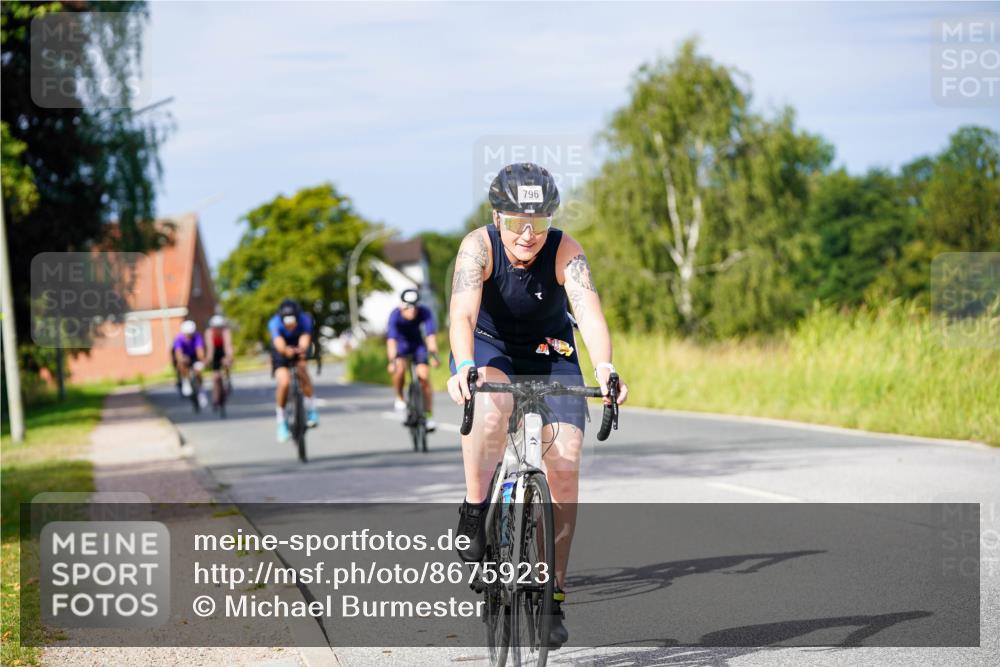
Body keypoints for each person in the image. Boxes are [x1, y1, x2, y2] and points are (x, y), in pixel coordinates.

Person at [446, 162, 629, 648]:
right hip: (489, 348)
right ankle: (473, 507)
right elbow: (462, 313)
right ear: (496, 216)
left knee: (565, 464)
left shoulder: (565, 250)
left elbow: (588, 311)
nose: (528, 235)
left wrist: (606, 369)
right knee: (492, 408)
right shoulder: (477, 248)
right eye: (515, 223)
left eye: (539, 223)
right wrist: (463, 365)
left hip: (551, 353)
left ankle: (554, 594)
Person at [386, 288, 440, 431]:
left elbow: (430, 336)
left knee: (424, 377)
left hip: (417, 346)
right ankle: (399, 398)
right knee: (399, 368)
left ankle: (428, 415)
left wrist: (434, 356)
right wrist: (392, 361)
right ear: (402, 306)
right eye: (409, 307)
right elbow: (391, 341)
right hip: (401, 346)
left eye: (415, 306)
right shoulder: (395, 315)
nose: (413, 310)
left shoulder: (424, 312)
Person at [268, 299, 318, 442]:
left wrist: (301, 349)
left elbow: (305, 339)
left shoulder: (305, 320)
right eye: (287, 323)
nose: (290, 326)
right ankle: (281, 421)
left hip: (298, 346)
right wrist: (285, 350)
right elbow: (279, 343)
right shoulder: (274, 323)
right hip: (281, 350)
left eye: (293, 322)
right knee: (284, 383)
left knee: (302, 369)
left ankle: (311, 409)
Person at [173, 319, 208, 409]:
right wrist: (181, 359)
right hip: (185, 357)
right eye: (187, 334)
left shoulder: (197, 337)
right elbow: (178, 353)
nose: (189, 336)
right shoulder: (178, 339)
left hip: (194, 356)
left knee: (198, 371)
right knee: (182, 363)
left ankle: (201, 391)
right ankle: (185, 381)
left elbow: (200, 350)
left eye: (190, 334)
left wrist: (202, 360)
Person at [205, 314, 234, 404]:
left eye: (220, 327)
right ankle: (215, 397)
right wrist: (208, 360)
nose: (218, 330)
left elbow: (228, 346)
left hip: (223, 351)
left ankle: (227, 378)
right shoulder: (209, 333)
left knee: (226, 363)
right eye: (216, 327)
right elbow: (210, 348)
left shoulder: (226, 332)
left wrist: (228, 357)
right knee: (215, 377)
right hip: (214, 352)